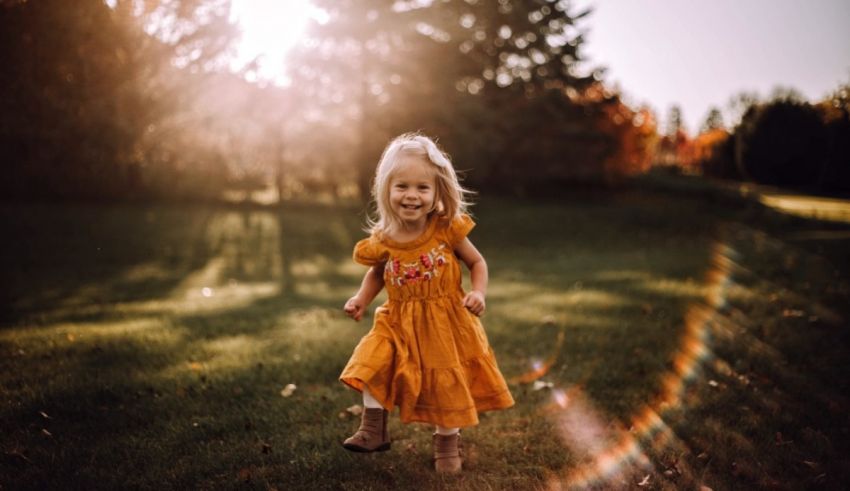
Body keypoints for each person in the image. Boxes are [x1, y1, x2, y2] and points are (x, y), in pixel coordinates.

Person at [340, 133, 514, 473]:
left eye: (422, 188)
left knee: (444, 383)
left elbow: (477, 263)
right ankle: (373, 429)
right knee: (372, 361)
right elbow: (377, 273)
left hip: (444, 322)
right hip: (397, 319)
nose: (411, 195)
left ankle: (447, 444)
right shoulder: (385, 238)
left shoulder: (446, 230)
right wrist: (361, 299)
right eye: (402, 186)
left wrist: (478, 293)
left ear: (437, 193)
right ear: (386, 190)